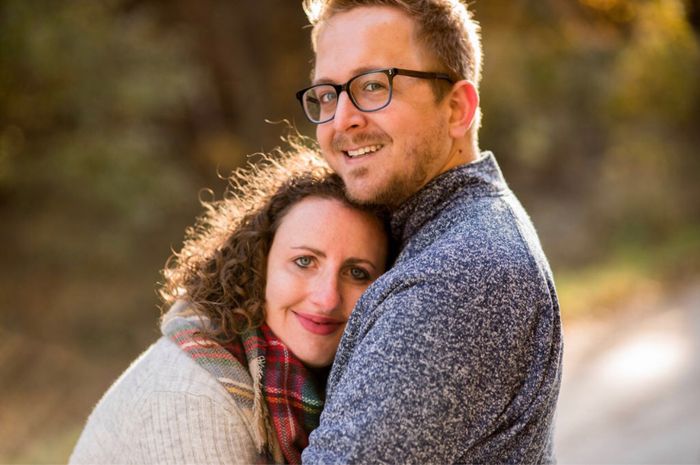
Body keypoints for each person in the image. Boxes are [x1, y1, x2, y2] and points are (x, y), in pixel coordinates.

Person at [295, 1, 563, 463]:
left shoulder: (460, 273)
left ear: (457, 108)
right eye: (326, 95)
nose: (341, 121)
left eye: (373, 86)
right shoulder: (426, 238)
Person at [69, 149, 390, 464]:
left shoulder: (335, 391)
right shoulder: (194, 401)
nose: (327, 298)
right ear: (259, 264)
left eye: (357, 273)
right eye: (304, 261)